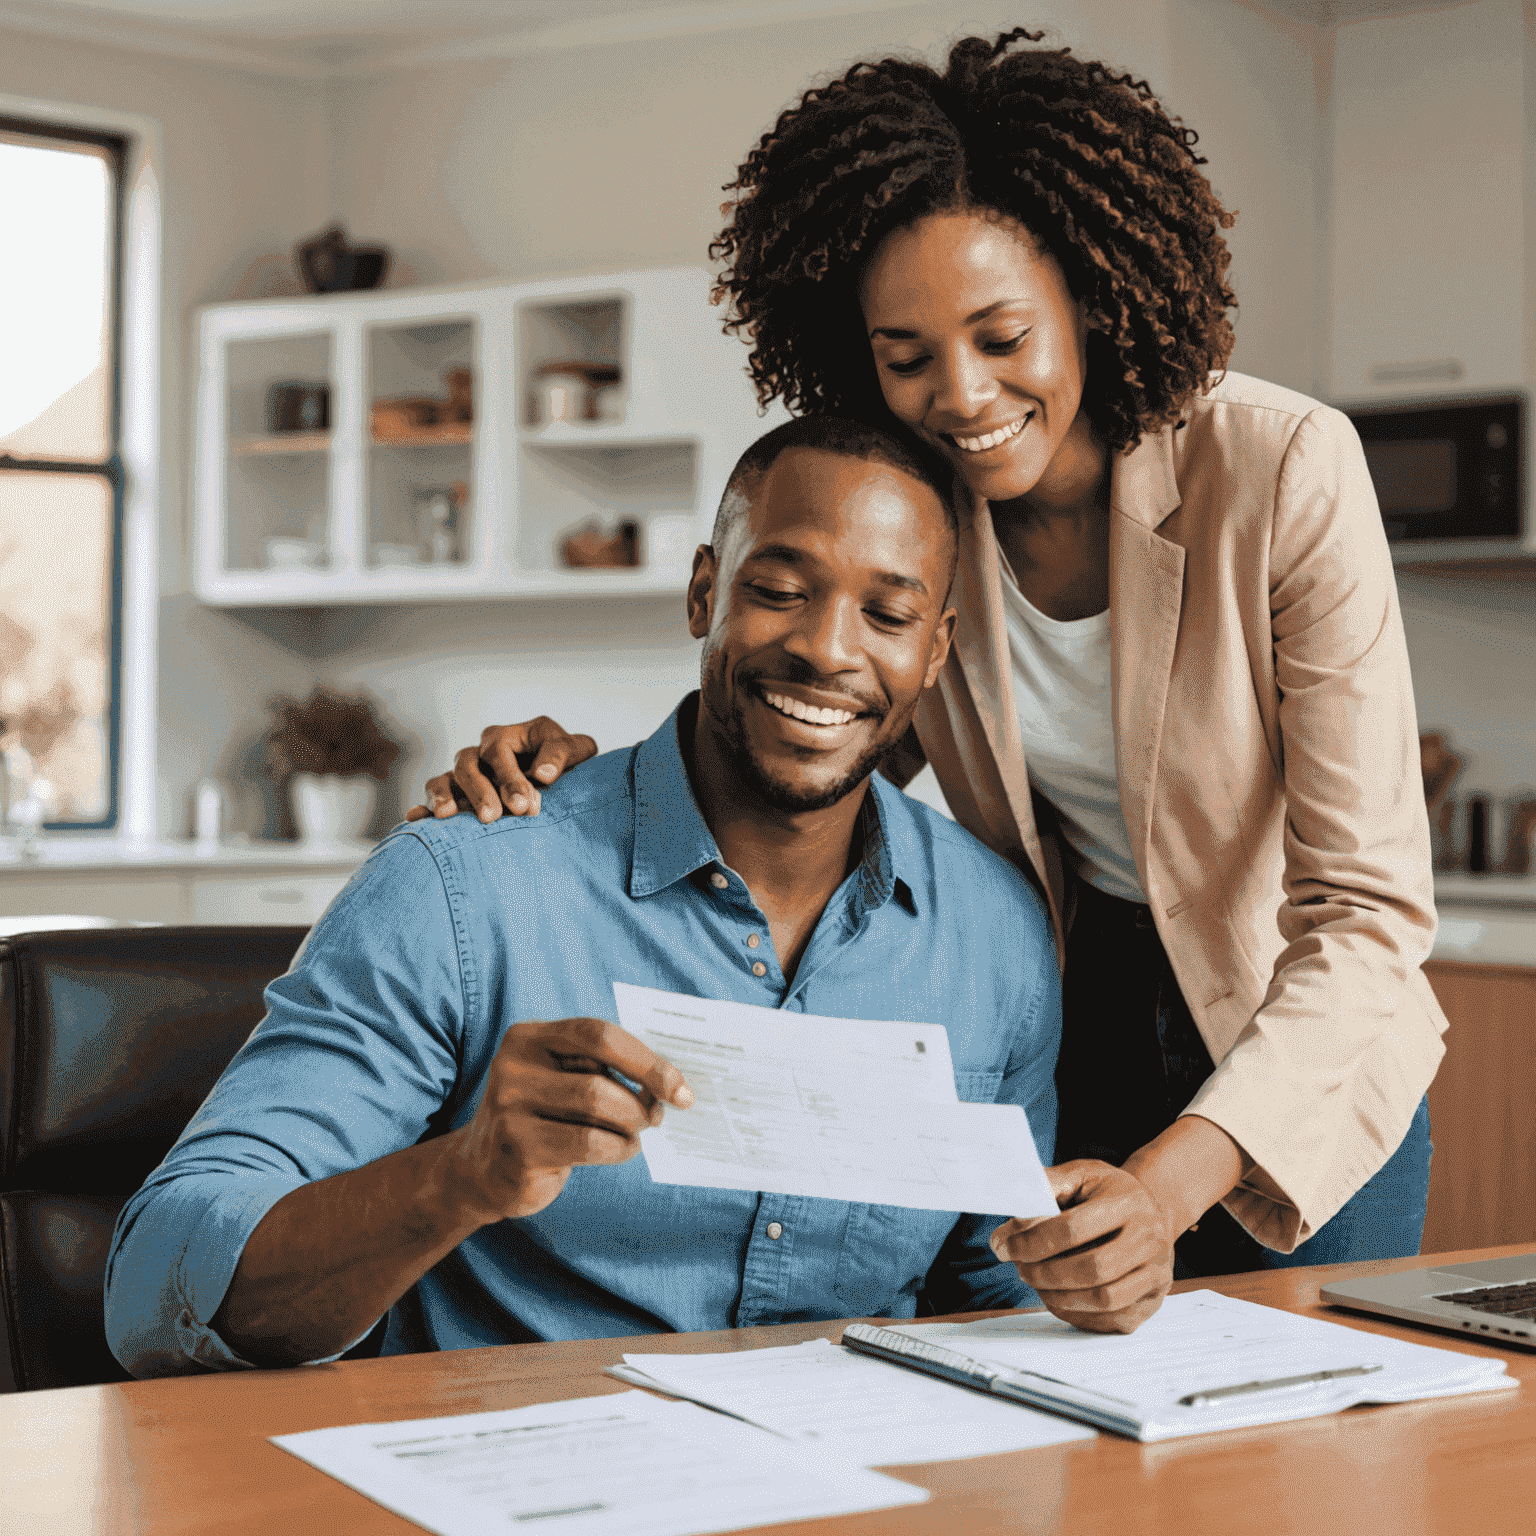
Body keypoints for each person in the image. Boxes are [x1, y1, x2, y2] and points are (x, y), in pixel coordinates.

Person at [411, 30, 1444, 1336]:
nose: (962, 396)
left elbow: (1365, 916)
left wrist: (1173, 1187)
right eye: (908, 356)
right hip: (1082, 1019)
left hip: (1299, 1041)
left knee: (1303, 1457)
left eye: (1004, 336)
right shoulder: (925, 521)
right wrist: (586, 784)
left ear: (1095, 290)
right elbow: (815, 744)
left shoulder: (1283, 467)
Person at [104, 416, 1062, 1378]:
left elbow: (995, 1295)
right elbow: (152, 1290)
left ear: (936, 653)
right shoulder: (462, 885)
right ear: (704, 593)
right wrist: (463, 1177)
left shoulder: (994, 936)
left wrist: (1087, 1273)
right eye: (777, 591)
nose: (826, 648)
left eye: (887, 617)